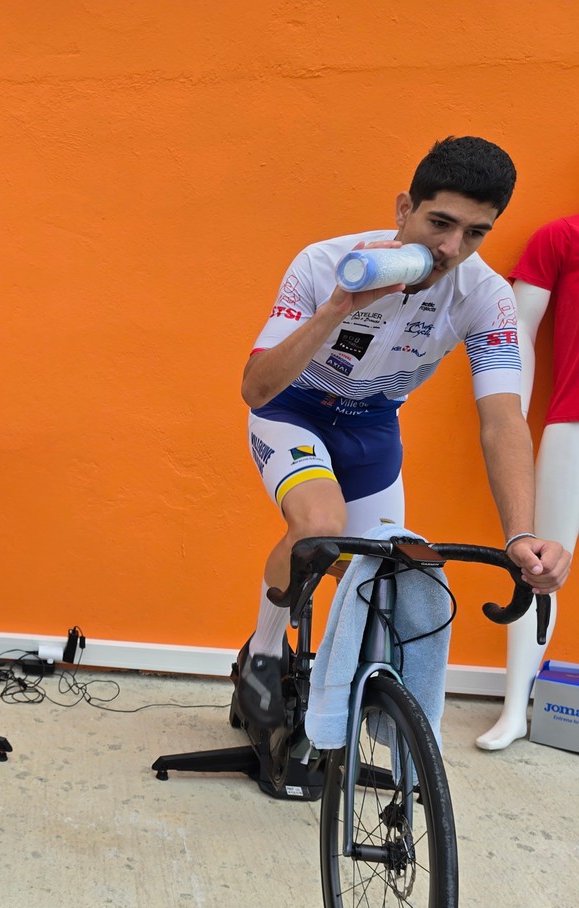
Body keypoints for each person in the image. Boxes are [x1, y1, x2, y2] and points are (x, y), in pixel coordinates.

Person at [236, 135, 572, 733]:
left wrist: (521, 533)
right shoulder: (323, 261)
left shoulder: (485, 296)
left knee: (393, 574)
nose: (450, 248)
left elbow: (502, 421)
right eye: (439, 222)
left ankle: (350, 702)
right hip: (295, 410)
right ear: (402, 210)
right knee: (318, 527)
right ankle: (261, 656)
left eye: (475, 234)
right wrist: (337, 307)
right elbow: (256, 389)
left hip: (372, 427)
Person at [479, 214, 579, 749]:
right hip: (575, 426)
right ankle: (516, 707)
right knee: (541, 562)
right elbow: (515, 334)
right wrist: (510, 421)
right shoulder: (564, 237)